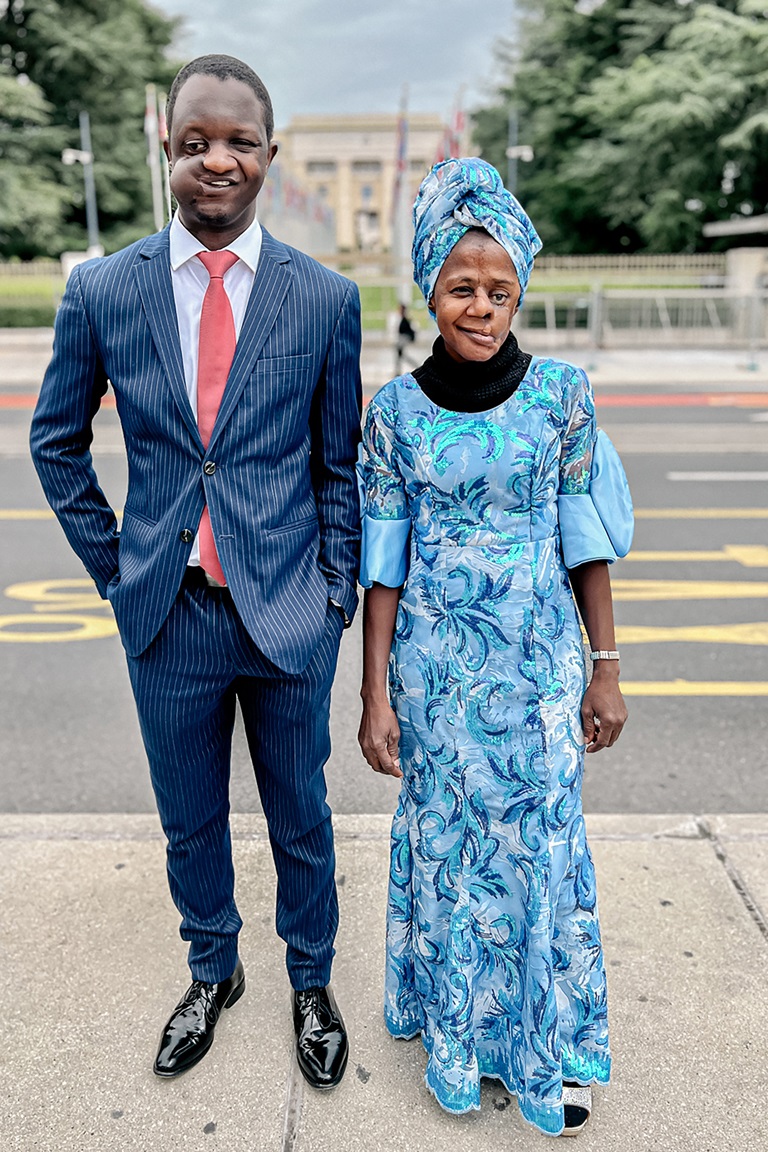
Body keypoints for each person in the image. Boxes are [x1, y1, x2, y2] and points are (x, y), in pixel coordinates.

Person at [30, 54, 361, 1091]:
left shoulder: (325, 299)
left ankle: (312, 979)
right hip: (170, 616)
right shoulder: (103, 291)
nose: (216, 160)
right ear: (164, 148)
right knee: (190, 820)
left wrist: (335, 595)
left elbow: (338, 467)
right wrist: (120, 566)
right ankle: (212, 971)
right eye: (194, 142)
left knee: (301, 817)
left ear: (270, 153)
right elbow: (56, 442)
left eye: (238, 143)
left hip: (289, 614)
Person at [357, 158, 633, 1137]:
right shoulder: (391, 415)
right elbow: (381, 569)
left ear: (521, 289)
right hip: (435, 681)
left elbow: (587, 541)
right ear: (427, 287)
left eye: (500, 289)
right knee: (452, 860)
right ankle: (464, 1042)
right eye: (461, 287)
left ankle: (550, 1049)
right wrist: (375, 697)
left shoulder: (563, 395)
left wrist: (606, 669)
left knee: (544, 854)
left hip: (541, 670)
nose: (481, 307)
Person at [394, 302, 418, 374]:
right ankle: (398, 371)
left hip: (403, 339)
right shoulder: (403, 319)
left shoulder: (405, 320)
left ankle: (416, 366)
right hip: (402, 339)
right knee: (401, 356)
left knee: (401, 356)